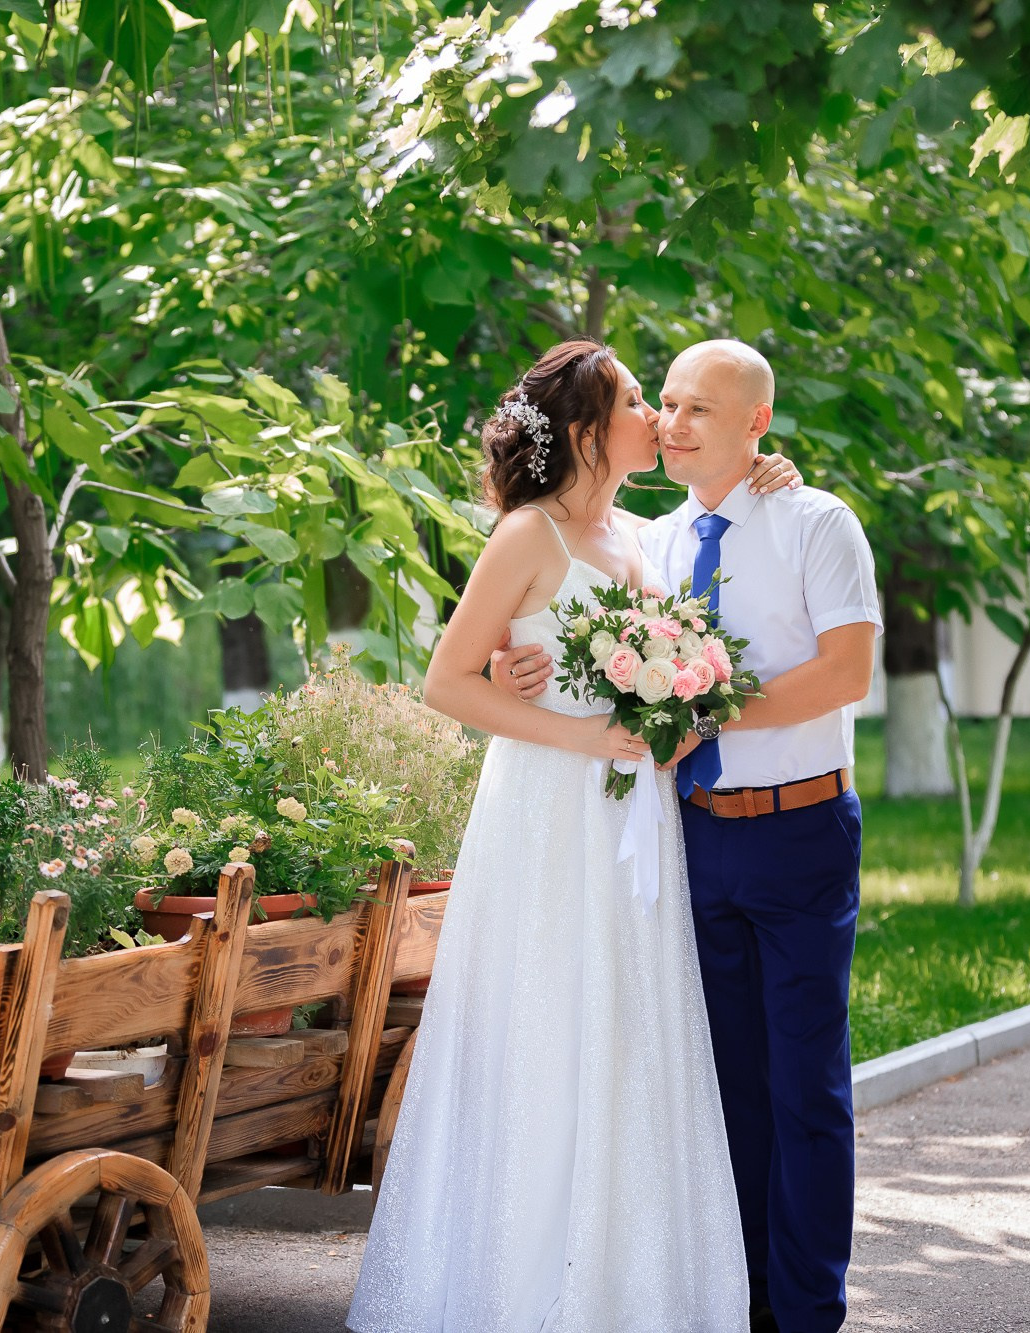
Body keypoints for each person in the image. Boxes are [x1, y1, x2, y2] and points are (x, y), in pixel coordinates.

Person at [348, 340, 801, 1333]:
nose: (658, 416)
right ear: (590, 428)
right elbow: (445, 680)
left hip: (631, 821)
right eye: (640, 400)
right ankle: (518, 1286)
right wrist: (585, 734)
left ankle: (619, 1283)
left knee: (630, 1028)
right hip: (547, 818)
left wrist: (774, 472)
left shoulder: (641, 538)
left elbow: (710, 572)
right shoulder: (527, 536)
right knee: (547, 1022)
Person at [493, 339, 879, 1333]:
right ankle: (737, 1298)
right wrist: (509, 668)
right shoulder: (647, 540)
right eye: (661, 402)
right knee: (720, 1089)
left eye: (696, 408)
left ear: (757, 423)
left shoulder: (814, 522)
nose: (670, 422)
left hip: (798, 833)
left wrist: (708, 713)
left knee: (804, 1085)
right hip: (686, 839)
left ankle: (805, 1311)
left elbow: (844, 676)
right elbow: (554, 615)